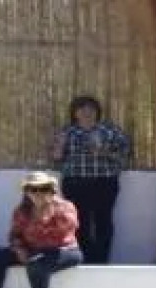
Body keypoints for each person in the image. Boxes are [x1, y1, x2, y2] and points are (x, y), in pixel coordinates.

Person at [50, 94, 130, 264]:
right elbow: (56, 158)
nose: (87, 112)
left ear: (97, 112)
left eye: (91, 109)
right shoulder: (67, 132)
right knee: (78, 222)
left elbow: (126, 154)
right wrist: (60, 145)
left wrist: (102, 152)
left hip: (104, 182)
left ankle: (101, 261)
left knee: (103, 220)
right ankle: (83, 260)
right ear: (75, 113)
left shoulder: (110, 131)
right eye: (82, 109)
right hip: (75, 183)